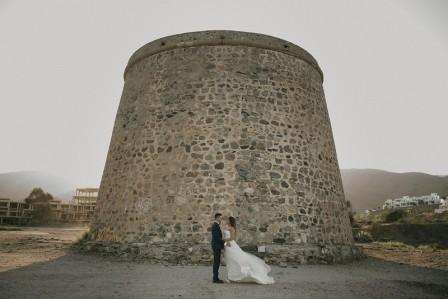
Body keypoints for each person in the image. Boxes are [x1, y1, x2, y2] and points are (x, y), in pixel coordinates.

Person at [223, 216, 275, 284]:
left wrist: (224, 240)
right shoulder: (227, 227)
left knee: (236, 259)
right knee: (230, 260)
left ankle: (236, 275)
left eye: (227, 219)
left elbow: (233, 238)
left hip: (231, 245)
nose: (226, 220)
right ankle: (232, 276)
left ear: (230, 221)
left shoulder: (232, 228)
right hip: (227, 245)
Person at [211, 213, 225, 283]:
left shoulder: (216, 225)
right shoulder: (215, 226)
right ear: (217, 218)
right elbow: (217, 238)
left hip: (217, 245)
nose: (221, 219)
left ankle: (215, 277)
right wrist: (224, 242)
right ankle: (215, 278)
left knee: (217, 261)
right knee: (216, 262)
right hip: (216, 246)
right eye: (220, 218)